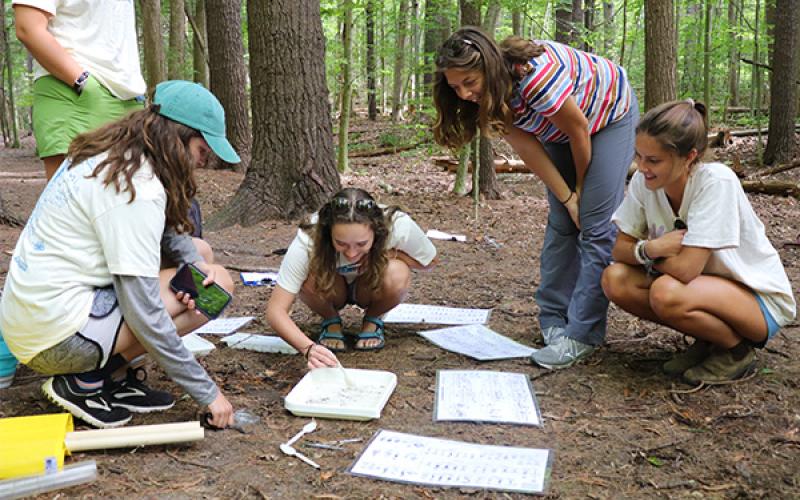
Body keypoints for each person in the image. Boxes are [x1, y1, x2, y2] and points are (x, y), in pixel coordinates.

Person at [0, 80, 242, 428]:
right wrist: (208, 393)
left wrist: (191, 265)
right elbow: (144, 311)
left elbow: (169, 233)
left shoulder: (117, 155)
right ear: (178, 138)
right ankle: (85, 383)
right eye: (202, 151)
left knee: (200, 257)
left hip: (36, 315)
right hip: (55, 336)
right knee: (217, 285)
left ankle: (111, 377)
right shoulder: (136, 189)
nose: (203, 163)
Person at [433, 27, 638, 369]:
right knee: (562, 222)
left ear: (490, 68)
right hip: (557, 128)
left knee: (595, 225)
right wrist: (567, 197)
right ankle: (554, 321)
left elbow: (579, 132)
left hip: (607, 117)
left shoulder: (535, 81)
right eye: (456, 88)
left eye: (470, 82)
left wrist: (582, 194)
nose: (465, 94)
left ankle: (582, 335)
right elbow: (528, 147)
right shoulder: (491, 97)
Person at [601, 99, 796, 384]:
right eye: (638, 156)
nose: (641, 167)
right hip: (701, 291)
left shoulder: (715, 182)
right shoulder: (646, 183)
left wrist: (644, 256)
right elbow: (618, 249)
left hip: (757, 301)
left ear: (689, 156)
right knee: (614, 279)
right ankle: (708, 341)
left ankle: (736, 352)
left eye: (654, 160)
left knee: (665, 291)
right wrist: (651, 248)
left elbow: (686, 270)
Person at [267, 188, 438, 368]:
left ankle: (373, 318)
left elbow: (430, 261)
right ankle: (330, 320)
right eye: (341, 243)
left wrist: (385, 254)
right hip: (329, 287)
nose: (351, 253)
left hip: (371, 284)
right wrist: (308, 348)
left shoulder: (397, 225)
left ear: (377, 230)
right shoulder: (310, 236)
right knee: (308, 273)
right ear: (328, 232)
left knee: (397, 272)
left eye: (361, 244)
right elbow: (275, 311)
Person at [13, 0, 147, 180]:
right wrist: (83, 82)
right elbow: (27, 27)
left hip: (128, 98)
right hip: (74, 92)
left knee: (128, 202)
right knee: (73, 203)